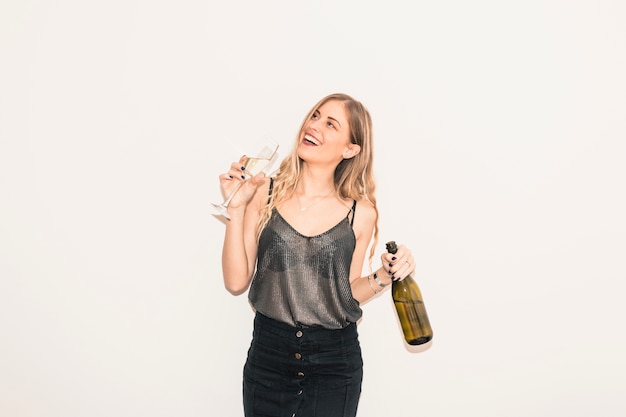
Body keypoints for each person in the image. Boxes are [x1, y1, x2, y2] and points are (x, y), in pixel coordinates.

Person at [217, 93, 416, 417]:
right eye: (315, 116)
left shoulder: (360, 213)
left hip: (335, 363)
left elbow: (347, 291)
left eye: (330, 123)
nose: (315, 126)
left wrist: (385, 274)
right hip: (268, 357)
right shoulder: (264, 191)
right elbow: (236, 281)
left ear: (350, 149)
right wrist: (236, 209)